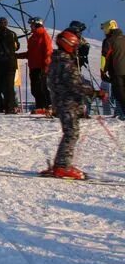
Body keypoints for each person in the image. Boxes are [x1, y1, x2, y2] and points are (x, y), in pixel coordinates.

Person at [43, 28, 105, 179]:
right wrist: (95, 92)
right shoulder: (66, 63)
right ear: (69, 45)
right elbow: (76, 85)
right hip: (68, 103)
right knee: (71, 133)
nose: (76, 49)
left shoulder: (56, 61)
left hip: (61, 102)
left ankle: (60, 164)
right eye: (75, 46)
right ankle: (63, 166)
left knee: (69, 133)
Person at [19, 17, 53, 114]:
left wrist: (46, 65)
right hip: (33, 66)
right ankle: (40, 106)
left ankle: (47, 106)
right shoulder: (32, 38)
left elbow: (48, 51)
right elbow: (31, 53)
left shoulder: (43, 35)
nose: (30, 26)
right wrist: (18, 55)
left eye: (32, 25)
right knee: (35, 89)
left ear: (37, 24)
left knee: (41, 87)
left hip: (41, 66)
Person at [0, 17, 21, 114]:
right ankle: (9, 107)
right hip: (10, 64)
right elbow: (17, 47)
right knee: (9, 87)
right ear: (7, 24)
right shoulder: (12, 34)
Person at [100, 20, 125, 120]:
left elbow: (104, 58)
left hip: (117, 72)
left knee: (119, 94)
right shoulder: (123, 38)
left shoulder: (108, 41)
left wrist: (103, 72)